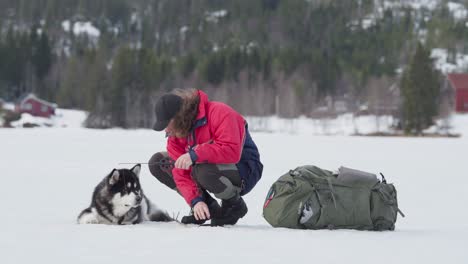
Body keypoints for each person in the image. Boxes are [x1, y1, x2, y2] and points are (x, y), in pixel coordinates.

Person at [148, 89, 263, 226]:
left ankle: (233, 205)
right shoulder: (175, 137)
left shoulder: (219, 113)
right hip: (209, 170)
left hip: (245, 169)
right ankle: (207, 208)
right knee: (159, 162)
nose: (166, 130)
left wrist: (195, 155)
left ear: (179, 116)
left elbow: (232, 151)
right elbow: (180, 173)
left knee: (202, 169)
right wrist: (195, 200)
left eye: (167, 124)